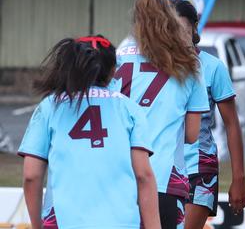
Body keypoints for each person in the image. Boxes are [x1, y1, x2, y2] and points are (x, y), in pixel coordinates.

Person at [19, 36, 160, 229]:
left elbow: (31, 175)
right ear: (112, 71)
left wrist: (37, 225)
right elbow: (144, 176)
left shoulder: (49, 107)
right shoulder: (130, 109)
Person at [112, 0, 210, 229]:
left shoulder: (116, 58)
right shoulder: (189, 63)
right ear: (169, 17)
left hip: (119, 176)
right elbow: (191, 135)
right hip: (164, 179)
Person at [171, 0, 245, 229]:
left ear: (195, 28)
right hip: (163, 166)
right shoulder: (156, 68)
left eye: (183, 31)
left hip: (200, 167)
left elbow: (232, 125)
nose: (177, 38)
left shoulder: (213, 67)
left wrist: (239, 179)